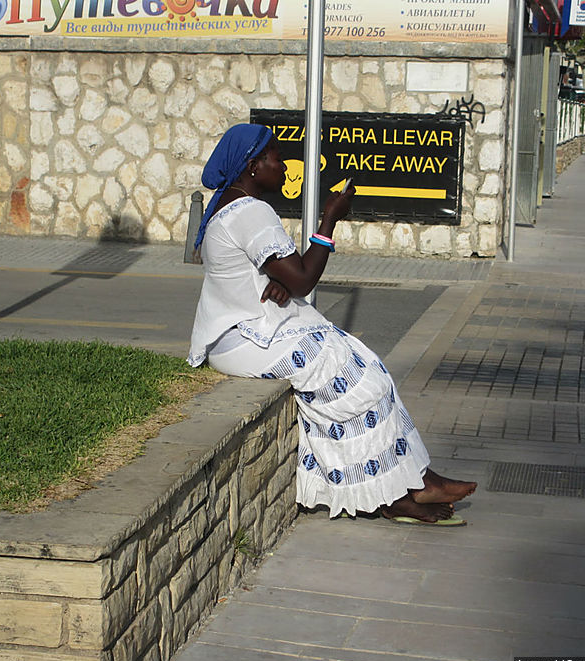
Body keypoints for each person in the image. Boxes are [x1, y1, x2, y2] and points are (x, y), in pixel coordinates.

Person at [187, 124, 477, 525]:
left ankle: (409, 484)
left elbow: (278, 274)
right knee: (361, 385)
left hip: (241, 334)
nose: (285, 164)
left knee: (365, 366)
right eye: (275, 156)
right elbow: (304, 277)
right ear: (252, 166)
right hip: (244, 341)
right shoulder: (250, 212)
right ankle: (403, 492)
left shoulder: (233, 206)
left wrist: (279, 280)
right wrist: (329, 217)